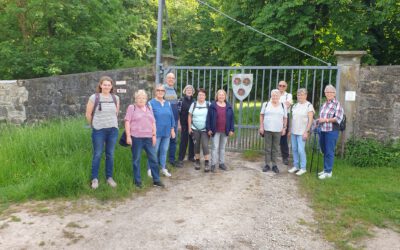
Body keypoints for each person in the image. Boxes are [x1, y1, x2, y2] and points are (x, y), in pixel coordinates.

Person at [124, 90, 164, 188]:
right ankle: (137, 182)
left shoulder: (149, 107)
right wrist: (128, 136)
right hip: (136, 138)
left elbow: (153, 122)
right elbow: (127, 122)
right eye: (139, 98)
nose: (141, 100)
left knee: (153, 159)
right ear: (135, 99)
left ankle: (156, 180)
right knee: (136, 160)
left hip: (148, 138)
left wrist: (154, 135)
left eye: (143, 98)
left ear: (146, 99)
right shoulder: (131, 108)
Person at [85, 76, 119, 189]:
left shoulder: (115, 98)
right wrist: (94, 125)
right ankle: (94, 179)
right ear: (100, 85)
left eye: (109, 85)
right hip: (99, 130)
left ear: (111, 86)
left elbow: (116, 113)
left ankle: (109, 177)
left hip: (113, 130)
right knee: (98, 154)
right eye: (104, 84)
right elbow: (88, 114)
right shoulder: (94, 97)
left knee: (110, 154)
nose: (107, 87)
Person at [147, 84, 176, 177]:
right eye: (158, 90)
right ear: (155, 92)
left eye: (162, 91)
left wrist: (172, 129)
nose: (160, 92)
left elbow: (171, 117)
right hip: (156, 132)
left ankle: (163, 168)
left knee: (164, 150)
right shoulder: (150, 103)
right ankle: (150, 169)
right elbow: (149, 119)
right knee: (154, 151)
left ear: (164, 92)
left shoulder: (167, 103)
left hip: (167, 131)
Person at [317, 84, 344, 180]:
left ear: (334, 93)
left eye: (330, 92)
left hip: (331, 131)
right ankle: (325, 169)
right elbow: (321, 117)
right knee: (324, 151)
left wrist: (325, 120)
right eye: (326, 92)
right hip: (322, 130)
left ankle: (328, 172)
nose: (328, 93)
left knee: (329, 151)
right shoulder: (324, 104)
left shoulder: (337, 104)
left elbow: (338, 118)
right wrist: (318, 121)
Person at [259, 89, 288, 174]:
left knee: (275, 148)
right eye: (273, 95)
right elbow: (261, 115)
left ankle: (274, 165)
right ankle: (267, 164)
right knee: (267, 148)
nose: (275, 97)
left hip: (278, 130)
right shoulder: (266, 104)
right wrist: (261, 126)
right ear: (271, 96)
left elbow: (285, 118)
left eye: (276, 95)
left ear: (279, 96)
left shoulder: (283, 105)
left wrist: (284, 128)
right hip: (267, 129)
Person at [206, 89, 235, 172]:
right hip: (215, 130)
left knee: (222, 148)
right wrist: (208, 129)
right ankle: (213, 164)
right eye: (220, 95)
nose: (221, 96)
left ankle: (221, 163)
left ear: (225, 96)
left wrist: (232, 129)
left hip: (225, 130)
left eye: (223, 95)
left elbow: (232, 119)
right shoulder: (213, 106)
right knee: (215, 147)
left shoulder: (229, 106)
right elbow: (208, 118)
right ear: (217, 96)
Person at [288, 88, 314, 176]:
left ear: (306, 95)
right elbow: (292, 119)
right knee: (294, 149)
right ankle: (296, 166)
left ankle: (303, 168)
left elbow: (310, 120)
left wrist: (307, 131)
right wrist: (290, 130)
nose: (300, 96)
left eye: (302, 94)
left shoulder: (309, 105)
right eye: (299, 95)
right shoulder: (295, 105)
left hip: (302, 132)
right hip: (294, 131)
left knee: (300, 150)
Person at [188, 88, 210, 171]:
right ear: (197, 96)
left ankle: (207, 162)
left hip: (205, 130)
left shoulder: (208, 104)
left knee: (205, 145)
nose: (201, 96)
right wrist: (189, 128)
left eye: (203, 95)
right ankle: (197, 161)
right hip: (195, 129)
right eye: (199, 95)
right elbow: (189, 116)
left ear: (205, 96)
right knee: (196, 146)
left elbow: (212, 116)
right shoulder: (193, 104)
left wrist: (210, 129)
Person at [176, 85, 195, 167]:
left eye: (191, 89)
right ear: (185, 91)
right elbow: (178, 113)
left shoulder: (195, 101)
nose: (189, 90)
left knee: (192, 141)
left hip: (193, 124)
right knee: (184, 141)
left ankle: (191, 157)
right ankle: (180, 159)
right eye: (187, 89)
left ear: (193, 92)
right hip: (183, 124)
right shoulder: (180, 100)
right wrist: (179, 124)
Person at [163, 72, 179, 166]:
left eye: (173, 78)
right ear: (166, 79)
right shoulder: (163, 89)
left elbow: (176, 106)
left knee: (173, 139)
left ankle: (172, 160)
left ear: (175, 80)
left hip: (175, 119)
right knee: (164, 139)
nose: (171, 79)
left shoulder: (175, 90)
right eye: (169, 78)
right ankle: (162, 162)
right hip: (165, 119)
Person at [278, 80, 293, 165]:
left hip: (285, 117)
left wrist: (278, 104)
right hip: (275, 117)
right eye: (280, 85)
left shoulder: (288, 95)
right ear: (278, 86)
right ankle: (272, 156)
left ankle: (285, 157)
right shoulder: (275, 93)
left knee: (283, 138)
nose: (281, 87)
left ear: (286, 87)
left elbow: (288, 105)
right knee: (274, 136)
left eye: (283, 86)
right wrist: (283, 104)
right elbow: (271, 103)